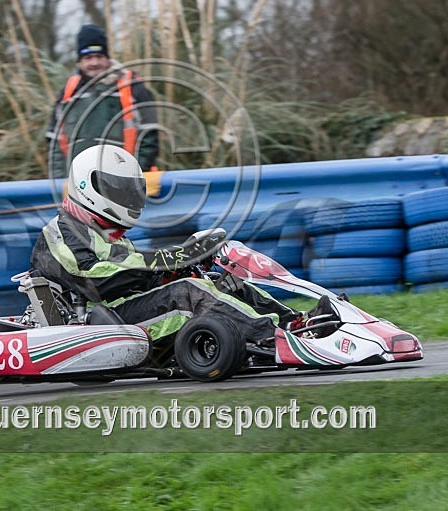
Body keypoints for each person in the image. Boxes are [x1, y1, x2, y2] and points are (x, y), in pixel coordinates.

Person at [29, 144, 299, 343]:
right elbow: (93, 279)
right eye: (116, 189)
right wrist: (169, 260)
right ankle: (273, 336)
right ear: (89, 187)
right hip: (96, 324)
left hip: (122, 316)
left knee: (219, 279)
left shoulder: (107, 234)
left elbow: (138, 279)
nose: (125, 196)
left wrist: (178, 267)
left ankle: (295, 323)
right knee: (187, 291)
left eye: (127, 189)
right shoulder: (59, 232)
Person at [46, 24, 161, 194]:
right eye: (88, 57)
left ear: (107, 58)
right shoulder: (67, 93)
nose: (94, 63)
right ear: (79, 60)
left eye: (99, 56)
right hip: (81, 189)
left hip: (127, 188)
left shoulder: (134, 88)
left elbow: (150, 139)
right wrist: (61, 183)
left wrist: (129, 178)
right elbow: (54, 143)